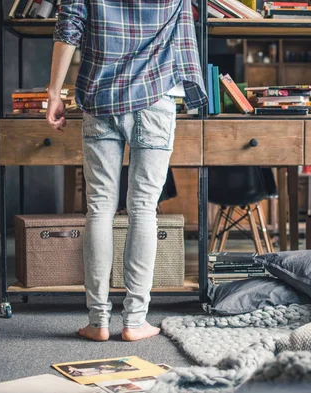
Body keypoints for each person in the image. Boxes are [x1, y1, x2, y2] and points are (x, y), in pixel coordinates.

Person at [46, 1, 207, 342]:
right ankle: (135, 322)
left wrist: (54, 92)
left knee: (100, 207)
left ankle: (98, 321)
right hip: (155, 98)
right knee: (144, 209)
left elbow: (69, 25)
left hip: (99, 95)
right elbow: (184, 35)